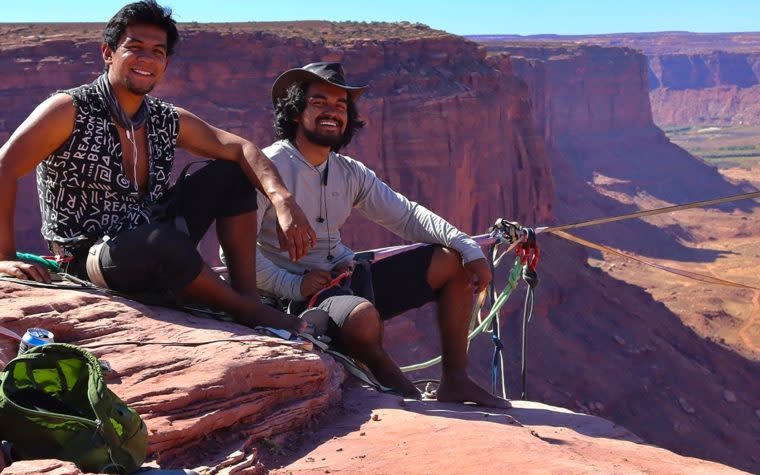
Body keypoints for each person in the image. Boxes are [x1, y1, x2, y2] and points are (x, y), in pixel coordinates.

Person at [0, 1, 317, 333]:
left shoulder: (165, 118)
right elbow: (6, 165)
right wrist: (5, 257)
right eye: (134, 48)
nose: (147, 60)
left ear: (165, 61)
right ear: (108, 52)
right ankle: (245, 312)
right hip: (91, 256)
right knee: (159, 241)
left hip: (155, 236)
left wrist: (283, 200)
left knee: (230, 173)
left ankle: (247, 296)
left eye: (158, 51)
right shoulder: (69, 109)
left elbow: (241, 148)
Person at [252, 62, 510, 407]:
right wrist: (293, 284)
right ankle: (401, 389)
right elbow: (234, 253)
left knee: (452, 261)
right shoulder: (267, 167)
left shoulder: (348, 172)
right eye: (319, 102)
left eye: (340, 105)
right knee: (360, 317)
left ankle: (456, 381)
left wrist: (469, 248)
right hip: (295, 297)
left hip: (342, 278)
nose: (332, 112)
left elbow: (406, 215)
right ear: (296, 112)